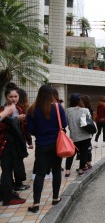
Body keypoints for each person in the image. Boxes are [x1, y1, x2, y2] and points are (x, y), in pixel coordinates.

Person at [26, 84, 67, 213]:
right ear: (51, 95)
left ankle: (36, 204)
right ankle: (55, 198)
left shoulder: (32, 109)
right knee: (56, 171)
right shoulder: (58, 107)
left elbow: (30, 130)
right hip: (56, 145)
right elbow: (64, 124)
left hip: (42, 145)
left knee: (40, 174)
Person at [0, 83, 28, 206]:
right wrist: (16, 119)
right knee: (6, 171)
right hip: (5, 145)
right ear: (6, 97)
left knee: (10, 170)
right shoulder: (3, 110)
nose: (14, 99)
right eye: (11, 96)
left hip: (15, 145)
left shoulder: (19, 109)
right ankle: (7, 198)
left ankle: (9, 193)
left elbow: (22, 129)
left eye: (16, 96)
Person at [64, 93, 92, 178]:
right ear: (80, 100)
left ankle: (67, 171)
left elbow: (65, 123)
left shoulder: (67, 111)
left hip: (74, 137)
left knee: (71, 154)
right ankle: (80, 170)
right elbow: (89, 122)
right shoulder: (85, 110)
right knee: (83, 153)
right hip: (85, 136)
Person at [13, 88, 33, 190]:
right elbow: (25, 128)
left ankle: (14, 183)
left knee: (13, 163)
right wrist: (29, 141)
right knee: (18, 162)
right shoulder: (21, 110)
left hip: (10, 141)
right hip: (18, 140)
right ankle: (18, 184)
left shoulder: (11, 108)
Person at [81, 95, 94, 169]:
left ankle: (86, 163)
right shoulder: (90, 109)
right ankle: (89, 162)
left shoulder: (84, 110)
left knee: (85, 148)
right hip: (90, 130)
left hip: (84, 131)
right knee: (88, 146)